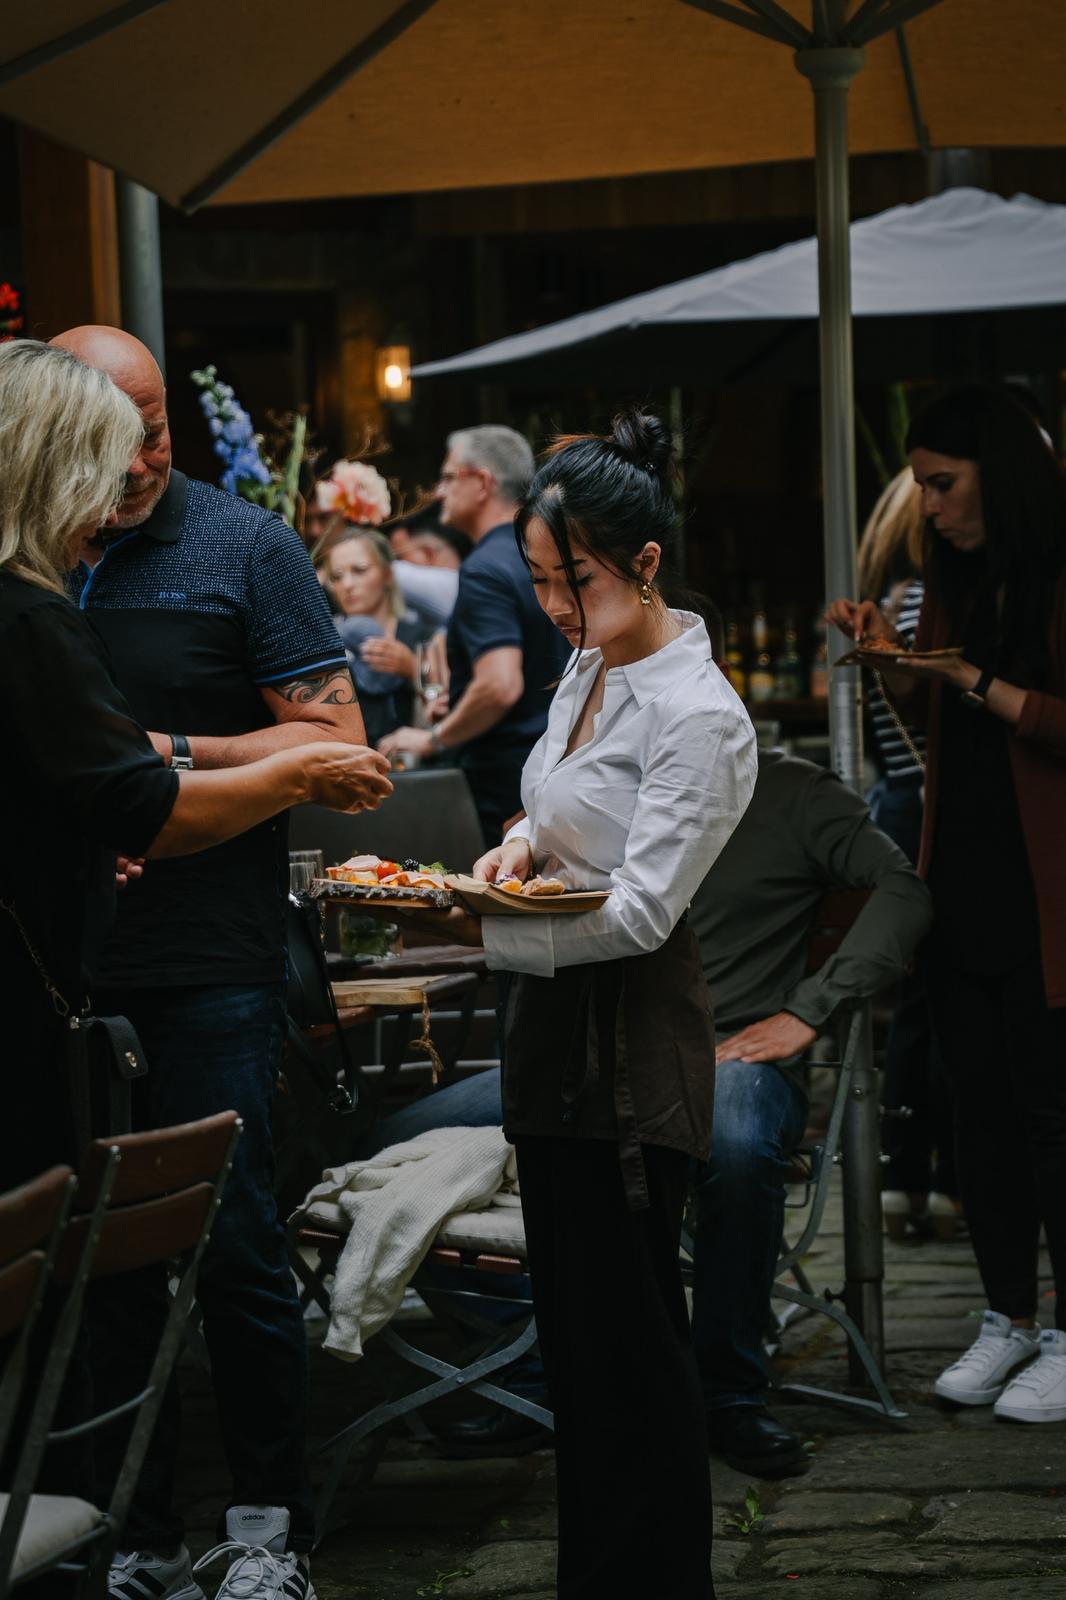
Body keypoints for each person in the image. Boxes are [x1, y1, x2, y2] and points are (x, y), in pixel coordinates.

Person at [380, 411, 757, 1598]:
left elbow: (644, 911)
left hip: (632, 1050)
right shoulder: (591, 665)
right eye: (539, 578)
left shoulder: (700, 715)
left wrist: (476, 924)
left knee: (634, 1348)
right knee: (580, 1352)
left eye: (571, 579)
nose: (552, 604)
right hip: (551, 1032)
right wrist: (507, 849)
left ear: (643, 565)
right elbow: (553, 813)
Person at [47, 324, 386, 1600]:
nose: (143, 455)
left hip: (213, 953)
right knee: (98, 1250)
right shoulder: (30, 548)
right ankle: (127, 1531)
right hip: (61, 961)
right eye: (117, 431)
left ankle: (264, 1531)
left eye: (158, 427)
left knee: (234, 1239)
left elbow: (337, 738)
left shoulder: (243, 545)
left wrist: (143, 764)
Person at [368, 736, 933, 1478]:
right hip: (583, 1051)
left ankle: (728, 1390)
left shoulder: (788, 790)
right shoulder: (586, 784)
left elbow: (905, 888)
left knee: (732, 1147)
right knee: (390, 1144)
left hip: (724, 1050)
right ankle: (537, 1357)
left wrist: (808, 1011)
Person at [827, 382, 1066, 1426]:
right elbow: (933, 723)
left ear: (997, 476)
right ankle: (1008, 1314)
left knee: (1051, 1111)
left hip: (1046, 887)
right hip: (961, 872)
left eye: (941, 483)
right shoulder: (948, 578)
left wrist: (971, 678)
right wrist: (894, 662)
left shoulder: (1055, 571)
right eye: (921, 483)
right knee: (978, 1110)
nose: (924, 504)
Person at [379, 426, 570, 846]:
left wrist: (432, 739)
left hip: (503, 784)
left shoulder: (484, 568)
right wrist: (464, 697)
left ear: (482, 482)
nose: (437, 491)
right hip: (553, 769)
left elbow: (500, 686)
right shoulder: (543, 552)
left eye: (448, 478)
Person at [857, 469, 959, 1240]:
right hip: (928, 805)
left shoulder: (891, 603)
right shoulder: (929, 603)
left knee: (919, 1001)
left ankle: (905, 1171)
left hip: (897, 798)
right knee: (938, 1000)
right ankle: (932, 1171)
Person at [327, 527, 442, 747]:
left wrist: (411, 667)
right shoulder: (324, 641)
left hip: (412, 768)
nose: (348, 585)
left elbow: (447, 709)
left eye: (359, 570)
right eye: (337, 576)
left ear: (388, 574)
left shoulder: (424, 636)